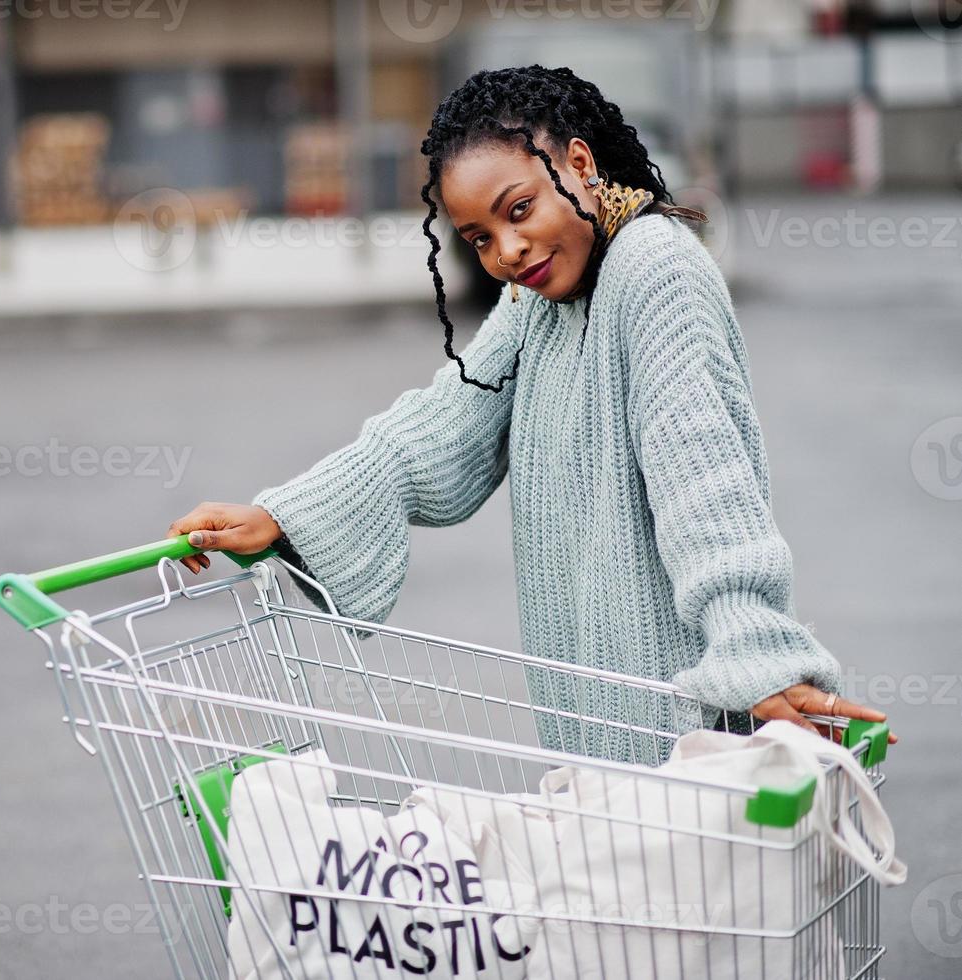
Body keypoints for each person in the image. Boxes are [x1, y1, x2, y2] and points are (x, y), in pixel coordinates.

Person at [167, 65, 895, 764]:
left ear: (579, 164)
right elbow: (440, 430)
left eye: (519, 211)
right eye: (480, 237)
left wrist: (755, 654)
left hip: (686, 728)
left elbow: (702, 484)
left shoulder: (653, 269)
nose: (508, 251)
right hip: (599, 712)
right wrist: (283, 515)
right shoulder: (536, 301)